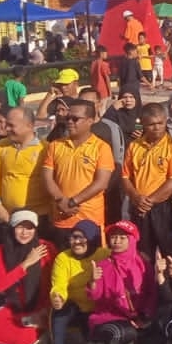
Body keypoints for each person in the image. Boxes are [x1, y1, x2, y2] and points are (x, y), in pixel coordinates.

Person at [86, 221, 157, 344]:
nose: (117, 241)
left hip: (135, 316)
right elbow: (95, 297)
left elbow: (152, 291)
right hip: (109, 317)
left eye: (122, 238)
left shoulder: (143, 264)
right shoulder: (103, 265)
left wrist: (145, 314)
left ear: (132, 240)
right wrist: (93, 282)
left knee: (158, 339)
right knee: (122, 332)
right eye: (113, 237)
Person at [0, 210, 56, 344]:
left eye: (29, 228)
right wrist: (26, 263)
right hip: (14, 306)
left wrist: (46, 310)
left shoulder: (45, 247)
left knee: (22, 337)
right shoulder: (1, 250)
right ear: (12, 228)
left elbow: (54, 282)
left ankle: (39, 331)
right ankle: (33, 336)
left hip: (40, 306)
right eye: (20, 227)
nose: (25, 232)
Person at [42, 99, 114, 246]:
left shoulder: (101, 148)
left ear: (90, 121)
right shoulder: (55, 145)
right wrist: (61, 201)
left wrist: (72, 202)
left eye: (75, 119)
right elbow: (47, 177)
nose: (69, 122)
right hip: (61, 218)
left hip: (90, 220)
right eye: (68, 118)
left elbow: (101, 183)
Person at [45, 220, 108, 344]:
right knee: (59, 310)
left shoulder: (104, 254)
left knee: (95, 337)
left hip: (96, 306)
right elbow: (59, 283)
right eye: (74, 237)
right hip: (74, 305)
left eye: (82, 238)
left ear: (92, 239)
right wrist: (58, 296)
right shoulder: (63, 258)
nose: (77, 242)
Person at [122, 102, 172, 256]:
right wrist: (136, 197)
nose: (157, 128)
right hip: (138, 205)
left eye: (160, 123)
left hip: (164, 207)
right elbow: (125, 176)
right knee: (142, 251)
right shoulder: (134, 146)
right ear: (143, 124)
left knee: (169, 250)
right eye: (151, 124)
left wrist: (149, 202)